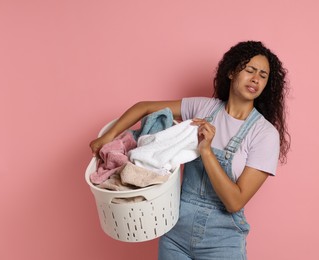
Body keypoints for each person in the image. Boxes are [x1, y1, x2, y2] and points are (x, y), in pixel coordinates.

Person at [89, 40, 290, 259]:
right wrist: (108, 136)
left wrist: (206, 151)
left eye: (263, 75)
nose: (255, 79)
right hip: (175, 232)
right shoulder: (203, 107)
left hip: (222, 242)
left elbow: (235, 202)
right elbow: (144, 107)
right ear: (231, 72)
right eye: (250, 70)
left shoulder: (265, 134)